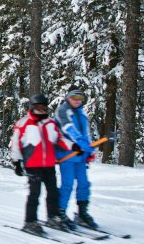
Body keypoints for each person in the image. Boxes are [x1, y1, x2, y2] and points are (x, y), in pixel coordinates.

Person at [10, 94, 79, 235]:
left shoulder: (51, 123)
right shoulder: (23, 123)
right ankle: (30, 221)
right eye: (38, 107)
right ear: (32, 107)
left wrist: (72, 146)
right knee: (34, 193)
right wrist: (16, 161)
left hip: (49, 164)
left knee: (53, 192)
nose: (41, 110)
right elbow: (16, 144)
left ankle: (52, 217)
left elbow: (59, 139)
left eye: (44, 107)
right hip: (33, 165)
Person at [55, 85, 98, 229]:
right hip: (67, 153)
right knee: (67, 185)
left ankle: (82, 213)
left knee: (84, 184)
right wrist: (79, 141)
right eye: (75, 97)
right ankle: (60, 213)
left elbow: (85, 133)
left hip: (80, 156)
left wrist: (89, 149)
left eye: (80, 98)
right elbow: (68, 128)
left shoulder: (81, 114)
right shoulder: (63, 110)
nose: (77, 100)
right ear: (68, 97)